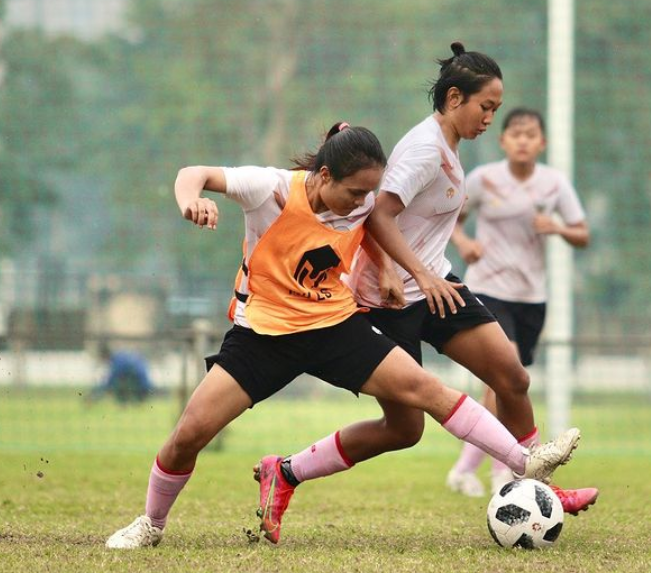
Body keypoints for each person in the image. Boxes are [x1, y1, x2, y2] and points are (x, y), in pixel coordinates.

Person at [106, 122, 579, 549]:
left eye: (368, 193)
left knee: (428, 391)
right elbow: (194, 172)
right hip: (263, 336)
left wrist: (389, 269)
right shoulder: (267, 188)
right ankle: (151, 523)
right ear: (323, 175)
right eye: (354, 192)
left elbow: (374, 221)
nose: (362, 203)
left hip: (335, 325)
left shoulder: (362, 198)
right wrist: (191, 200)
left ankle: (525, 460)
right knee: (188, 435)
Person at [342, 42, 594, 514]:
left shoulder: (450, 148)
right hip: (389, 300)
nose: (489, 119)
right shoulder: (422, 149)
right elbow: (379, 213)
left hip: (437, 285)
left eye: (495, 109)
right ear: (454, 98)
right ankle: (287, 469)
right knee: (403, 430)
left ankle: (541, 489)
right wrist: (405, 271)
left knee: (512, 378)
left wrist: (429, 270)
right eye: (486, 107)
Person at [445, 107, 591, 496]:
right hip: (488, 291)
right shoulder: (483, 179)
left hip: (531, 298)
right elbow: (451, 218)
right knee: (502, 374)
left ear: (542, 143)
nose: (523, 140)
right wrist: (464, 243)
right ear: (503, 140)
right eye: (516, 133)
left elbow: (582, 233)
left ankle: (463, 469)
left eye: (531, 134)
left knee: (505, 389)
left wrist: (557, 227)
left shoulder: (554, 184)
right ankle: (502, 472)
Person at [88, 344, 156, 404]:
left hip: (141, 386)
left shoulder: (117, 361)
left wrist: (94, 396)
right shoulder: (120, 357)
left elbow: (110, 381)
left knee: (118, 383)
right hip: (145, 384)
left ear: (105, 356)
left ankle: (125, 403)